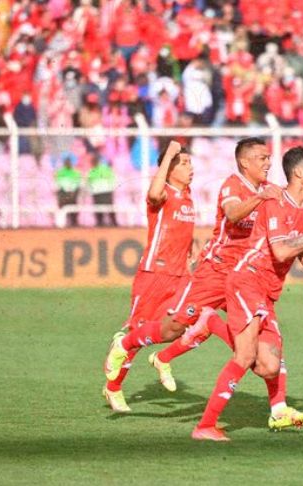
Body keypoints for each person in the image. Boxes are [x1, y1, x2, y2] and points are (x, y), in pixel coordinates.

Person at [191, 146, 303, 441]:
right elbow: (282, 251)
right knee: (244, 356)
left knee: (269, 365)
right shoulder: (275, 202)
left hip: (266, 292)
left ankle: (278, 408)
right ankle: (205, 426)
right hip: (247, 281)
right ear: (298, 172)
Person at [146, 138, 303, 430]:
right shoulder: (233, 185)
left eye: (268, 158)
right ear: (244, 162)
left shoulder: (273, 194)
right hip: (221, 271)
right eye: (261, 158)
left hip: (252, 280)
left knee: (268, 354)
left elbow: (290, 241)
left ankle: (278, 408)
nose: (268, 163)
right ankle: (128, 341)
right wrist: (264, 201)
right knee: (174, 326)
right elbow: (235, 214)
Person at [102, 140, 194, 412]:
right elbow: (154, 193)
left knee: (184, 324)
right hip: (155, 273)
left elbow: (185, 238)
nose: (192, 168)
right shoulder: (162, 191)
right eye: (185, 163)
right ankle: (113, 388)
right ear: (170, 168)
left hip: (180, 276)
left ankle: (162, 358)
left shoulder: (188, 196)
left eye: (191, 163)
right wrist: (169, 157)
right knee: (137, 334)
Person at [55, 156, 82, 227]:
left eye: (69, 162)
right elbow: (58, 184)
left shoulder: (75, 172)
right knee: (63, 210)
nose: (68, 164)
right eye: (67, 162)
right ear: (64, 163)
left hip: (73, 194)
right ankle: (62, 225)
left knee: (73, 211)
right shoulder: (60, 172)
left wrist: (73, 193)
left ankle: (75, 224)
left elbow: (78, 184)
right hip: (63, 194)